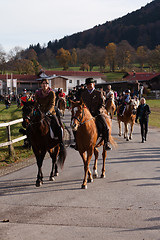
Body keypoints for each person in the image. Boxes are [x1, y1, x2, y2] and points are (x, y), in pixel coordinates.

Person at [71, 77, 112, 151]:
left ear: (93, 84)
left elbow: (102, 104)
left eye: (90, 84)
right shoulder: (84, 94)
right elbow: (81, 105)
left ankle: (106, 142)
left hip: (97, 113)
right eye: (87, 85)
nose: (89, 86)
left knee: (105, 126)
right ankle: (77, 143)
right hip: (86, 114)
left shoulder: (99, 93)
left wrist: (98, 111)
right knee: (74, 125)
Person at [35, 78, 66, 150]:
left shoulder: (51, 93)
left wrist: (48, 111)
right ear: (41, 85)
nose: (44, 85)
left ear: (48, 85)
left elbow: (52, 104)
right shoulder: (38, 93)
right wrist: (35, 110)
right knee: (31, 124)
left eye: (46, 84)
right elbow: (36, 103)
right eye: (43, 83)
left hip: (50, 113)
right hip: (41, 113)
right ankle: (29, 142)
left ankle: (61, 143)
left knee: (58, 126)